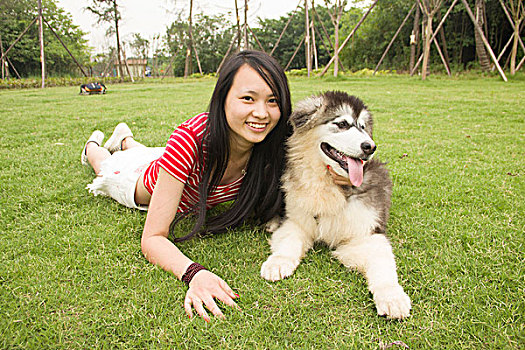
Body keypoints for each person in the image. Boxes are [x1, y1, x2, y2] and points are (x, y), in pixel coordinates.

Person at [80, 50, 292, 322]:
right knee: (105, 167)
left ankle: (126, 140)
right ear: (223, 98)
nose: (262, 113)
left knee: (150, 154)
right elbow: (153, 238)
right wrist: (195, 273)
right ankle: (93, 146)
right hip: (137, 182)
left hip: (166, 162)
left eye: (273, 101)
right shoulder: (190, 139)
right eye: (248, 98)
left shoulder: (272, 145)